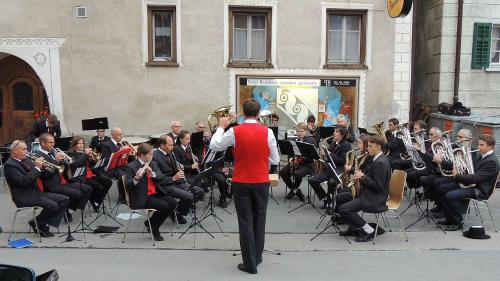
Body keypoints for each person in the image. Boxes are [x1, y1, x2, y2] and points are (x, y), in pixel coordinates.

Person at [210, 98, 279, 274]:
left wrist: (220, 127)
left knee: (245, 222)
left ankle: (250, 263)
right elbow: (275, 159)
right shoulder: (268, 132)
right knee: (260, 219)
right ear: (258, 114)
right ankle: (257, 257)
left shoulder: (235, 131)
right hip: (261, 181)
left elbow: (215, 145)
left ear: (243, 112)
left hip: (241, 181)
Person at [5, 140, 69, 237]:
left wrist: (42, 167)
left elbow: (38, 174)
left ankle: (39, 223)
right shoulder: (10, 165)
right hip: (24, 195)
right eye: (24, 149)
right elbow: (23, 182)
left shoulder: (26, 159)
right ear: (15, 151)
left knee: (64, 199)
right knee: (54, 205)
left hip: (36, 192)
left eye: (26, 148)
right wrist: (37, 168)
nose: (27, 151)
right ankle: (40, 224)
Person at [435, 134, 499, 231]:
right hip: (471, 184)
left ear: (490, 146)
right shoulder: (481, 155)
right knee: (441, 188)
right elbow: (470, 171)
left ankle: (458, 221)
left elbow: (476, 178)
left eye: (482, 145)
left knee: (450, 196)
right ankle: (450, 217)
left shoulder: (491, 161)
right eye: (479, 144)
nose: (478, 147)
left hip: (479, 189)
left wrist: (457, 176)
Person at [337, 135, 391, 242]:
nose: (367, 148)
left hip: (374, 198)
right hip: (369, 193)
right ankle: (354, 227)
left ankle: (368, 230)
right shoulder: (376, 158)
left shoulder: (380, 163)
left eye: (370, 146)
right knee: (342, 198)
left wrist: (363, 177)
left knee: (344, 209)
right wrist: (361, 174)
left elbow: (378, 187)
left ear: (378, 147)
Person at [124, 143, 178, 241]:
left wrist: (152, 174)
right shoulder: (131, 167)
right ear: (141, 155)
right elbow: (127, 186)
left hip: (155, 193)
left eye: (152, 154)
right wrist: (136, 178)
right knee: (163, 206)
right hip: (141, 196)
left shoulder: (152, 163)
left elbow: (160, 176)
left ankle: (152, 223)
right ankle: (154, 228)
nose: (151, 156)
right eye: (149, 154)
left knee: (172, 203)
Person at [35, 133, 92, 222]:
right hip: (51, 186)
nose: (53, 144)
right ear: (42, 143)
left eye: (53, 142)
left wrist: (64, 160)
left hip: (60, 183)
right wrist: (56, 161)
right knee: (76, 194)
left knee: (82, 191)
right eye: (50, 142)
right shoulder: (38, 156)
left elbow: (64, 168)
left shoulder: (53, 152)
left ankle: (69, 210)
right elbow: (45, 175)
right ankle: (66, 210)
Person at [152, 135, 204, 224]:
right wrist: (173, 178)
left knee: (200, 192)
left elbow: (174, 168)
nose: (172, 147)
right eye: (170, 145)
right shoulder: (154, 156)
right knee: (189, 196)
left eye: (172, 145)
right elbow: (158, 176)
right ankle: (176, 213)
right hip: (164, 185)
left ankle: (176, 211)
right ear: (162, 145)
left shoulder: (170, 152)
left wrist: (179, 168)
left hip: (176, 181)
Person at [308, 126, 351, 211]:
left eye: (336, 131)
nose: (333, 133)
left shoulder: (346, 145)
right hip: (329, 169)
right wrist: (324, 155)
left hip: (338, 171)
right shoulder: (334, 142)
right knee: (312, 180)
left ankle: (331, 202)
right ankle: (326, 198)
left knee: (331, 182)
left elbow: (342, 161)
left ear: (341, 135)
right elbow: (329, 157)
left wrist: (329, 154)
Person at [67, 136, 112, 212]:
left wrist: (92, 158)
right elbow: (76, 164)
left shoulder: (84, 153)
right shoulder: (70, 154)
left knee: (108, 182)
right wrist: (85, 154)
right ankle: (93, 200)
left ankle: (96, 201)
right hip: (80, 177)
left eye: (82, 143)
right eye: (79, 143)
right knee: (96, 185)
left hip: (90, 174)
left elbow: (92, 165)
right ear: (74, 144)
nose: (82, 145)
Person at [279, 122, 315, 201]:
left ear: (305, 131)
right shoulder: (294, 140)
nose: (299, 133)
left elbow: (312, 157)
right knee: (282, 172)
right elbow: (291, 153)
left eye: (301, 131)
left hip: (307, 164)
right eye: (298, 131)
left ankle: (293, 190)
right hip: (296, 162)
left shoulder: (310, 140)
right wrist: (291, 159)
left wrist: (300, 159)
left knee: (298, 173)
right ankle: (296, 190)